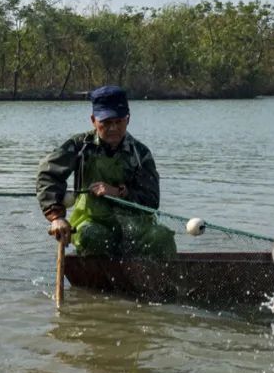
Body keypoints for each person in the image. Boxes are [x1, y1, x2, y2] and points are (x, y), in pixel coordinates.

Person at [36, 85, 176, 258]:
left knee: (161, 237)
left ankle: (159, 283)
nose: (113, 128)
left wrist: (118, 192)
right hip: (91, 222)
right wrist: (57, 217)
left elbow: (151, 201)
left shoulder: (140, 154)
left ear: (128, 119)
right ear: (93, 120)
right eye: (106, 122)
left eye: (118, 122)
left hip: (134, 224)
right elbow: (48, 175)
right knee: (93, 237)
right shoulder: (79, 146)